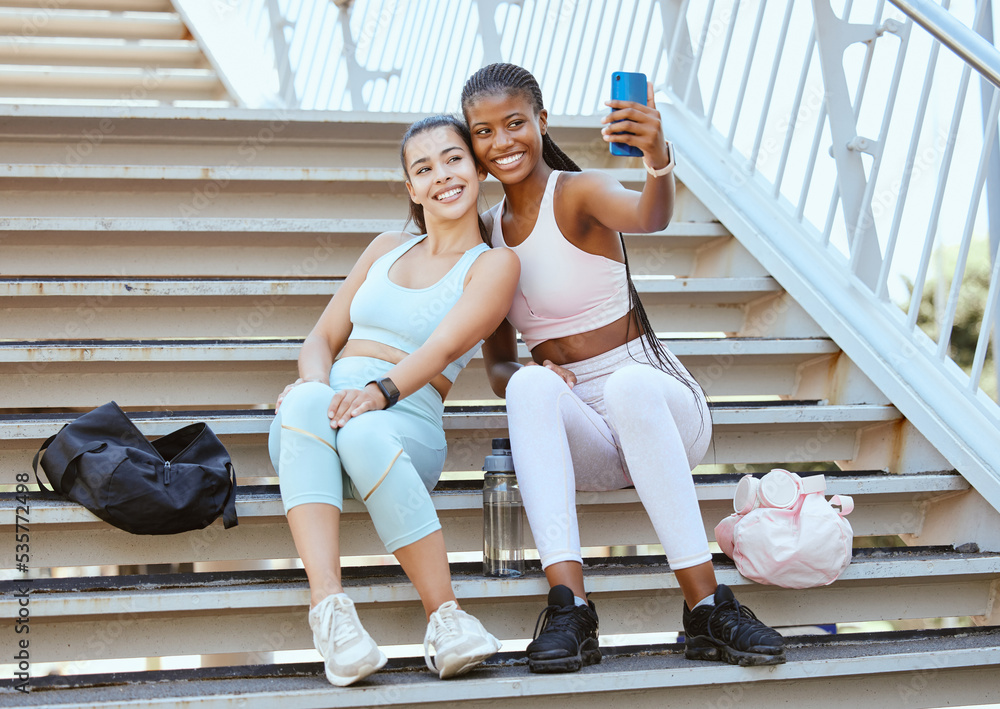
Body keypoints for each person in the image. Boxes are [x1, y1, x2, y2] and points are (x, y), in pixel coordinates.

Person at [460, 63, 785, 672]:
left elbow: (649, 216)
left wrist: (657, 157)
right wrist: (533, 377)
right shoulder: (486, 237)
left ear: (541, 122)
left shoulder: (577, 192)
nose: (502, 142)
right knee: (527, 383)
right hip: (584, 428)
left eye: (514, 123)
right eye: (483, 132)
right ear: (472, 145)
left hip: (658, 405)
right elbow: (500, 362)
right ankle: (570, 609)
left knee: (633, 385)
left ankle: (707, 606)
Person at [268, 115, 519, 686]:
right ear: (411, 188)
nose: (443, 177)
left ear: (478, 169)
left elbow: (443, 346)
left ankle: (447, 619)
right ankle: (332, 617)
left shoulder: (494, 264)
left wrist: (377, 393)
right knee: (305, 406)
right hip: (323, 420)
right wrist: (313, 383)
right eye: (423, 169)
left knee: (362, 430)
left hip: (408, 422)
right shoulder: (385, 248)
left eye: (454, 159)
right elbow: (321, 339)